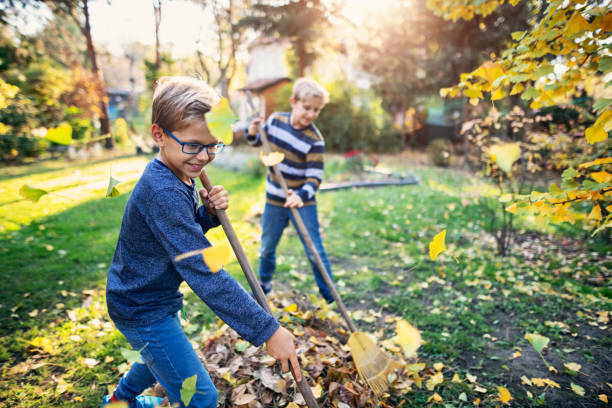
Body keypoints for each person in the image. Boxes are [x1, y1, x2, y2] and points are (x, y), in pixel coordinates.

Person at [103, 76, 300, 408]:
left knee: (155, 358)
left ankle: (119, 401)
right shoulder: (162, 189)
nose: (205, 156)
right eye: (194, 145)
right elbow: (203, 270)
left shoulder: (179, 172)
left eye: (213, 145)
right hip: (141, 308)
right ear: (159, 135)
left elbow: (175, 233)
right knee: (202, 398)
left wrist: (206, 214)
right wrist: (267, 330)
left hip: (152, 298)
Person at [247, 78, 334, 303]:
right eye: (307, 108)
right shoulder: (276, 121)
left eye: (317, 110)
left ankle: (330, 296)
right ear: (293, 102)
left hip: (302, 200)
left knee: (315, 251)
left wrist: (301, 195)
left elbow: (315, 178)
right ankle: (264, 286)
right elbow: (260, 143)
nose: (311, 114)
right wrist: (254, 131)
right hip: (274, 199)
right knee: (266, 247)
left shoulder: (315, 141)